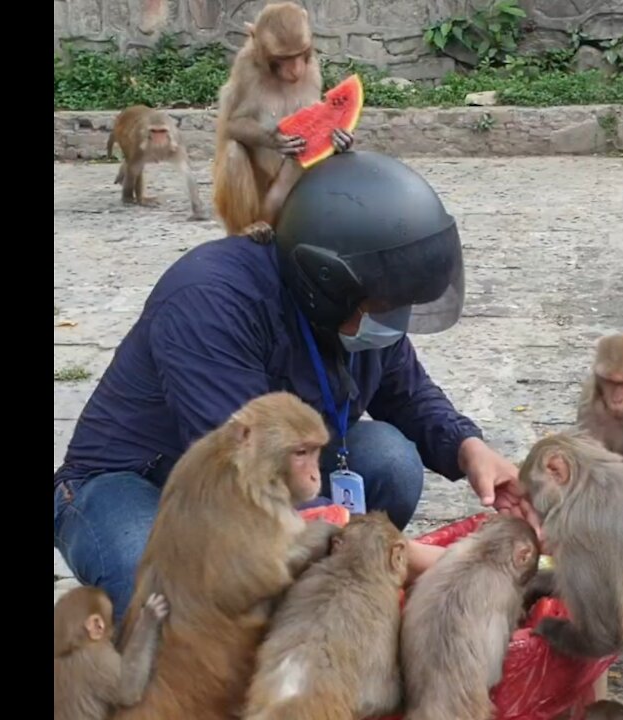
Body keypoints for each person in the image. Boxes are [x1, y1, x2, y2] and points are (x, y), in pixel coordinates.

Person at [53, 150, 537, 620]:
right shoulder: (210, 300)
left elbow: (408, 392)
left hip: (278, 471)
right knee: (155, 592)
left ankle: (327, 586)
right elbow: (244, 480)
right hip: (136, 481)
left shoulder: (362, 300)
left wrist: (470, 449)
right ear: (324, 281)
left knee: (389, 459)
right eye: (380, 307)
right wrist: (423, 562)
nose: (390, 321)